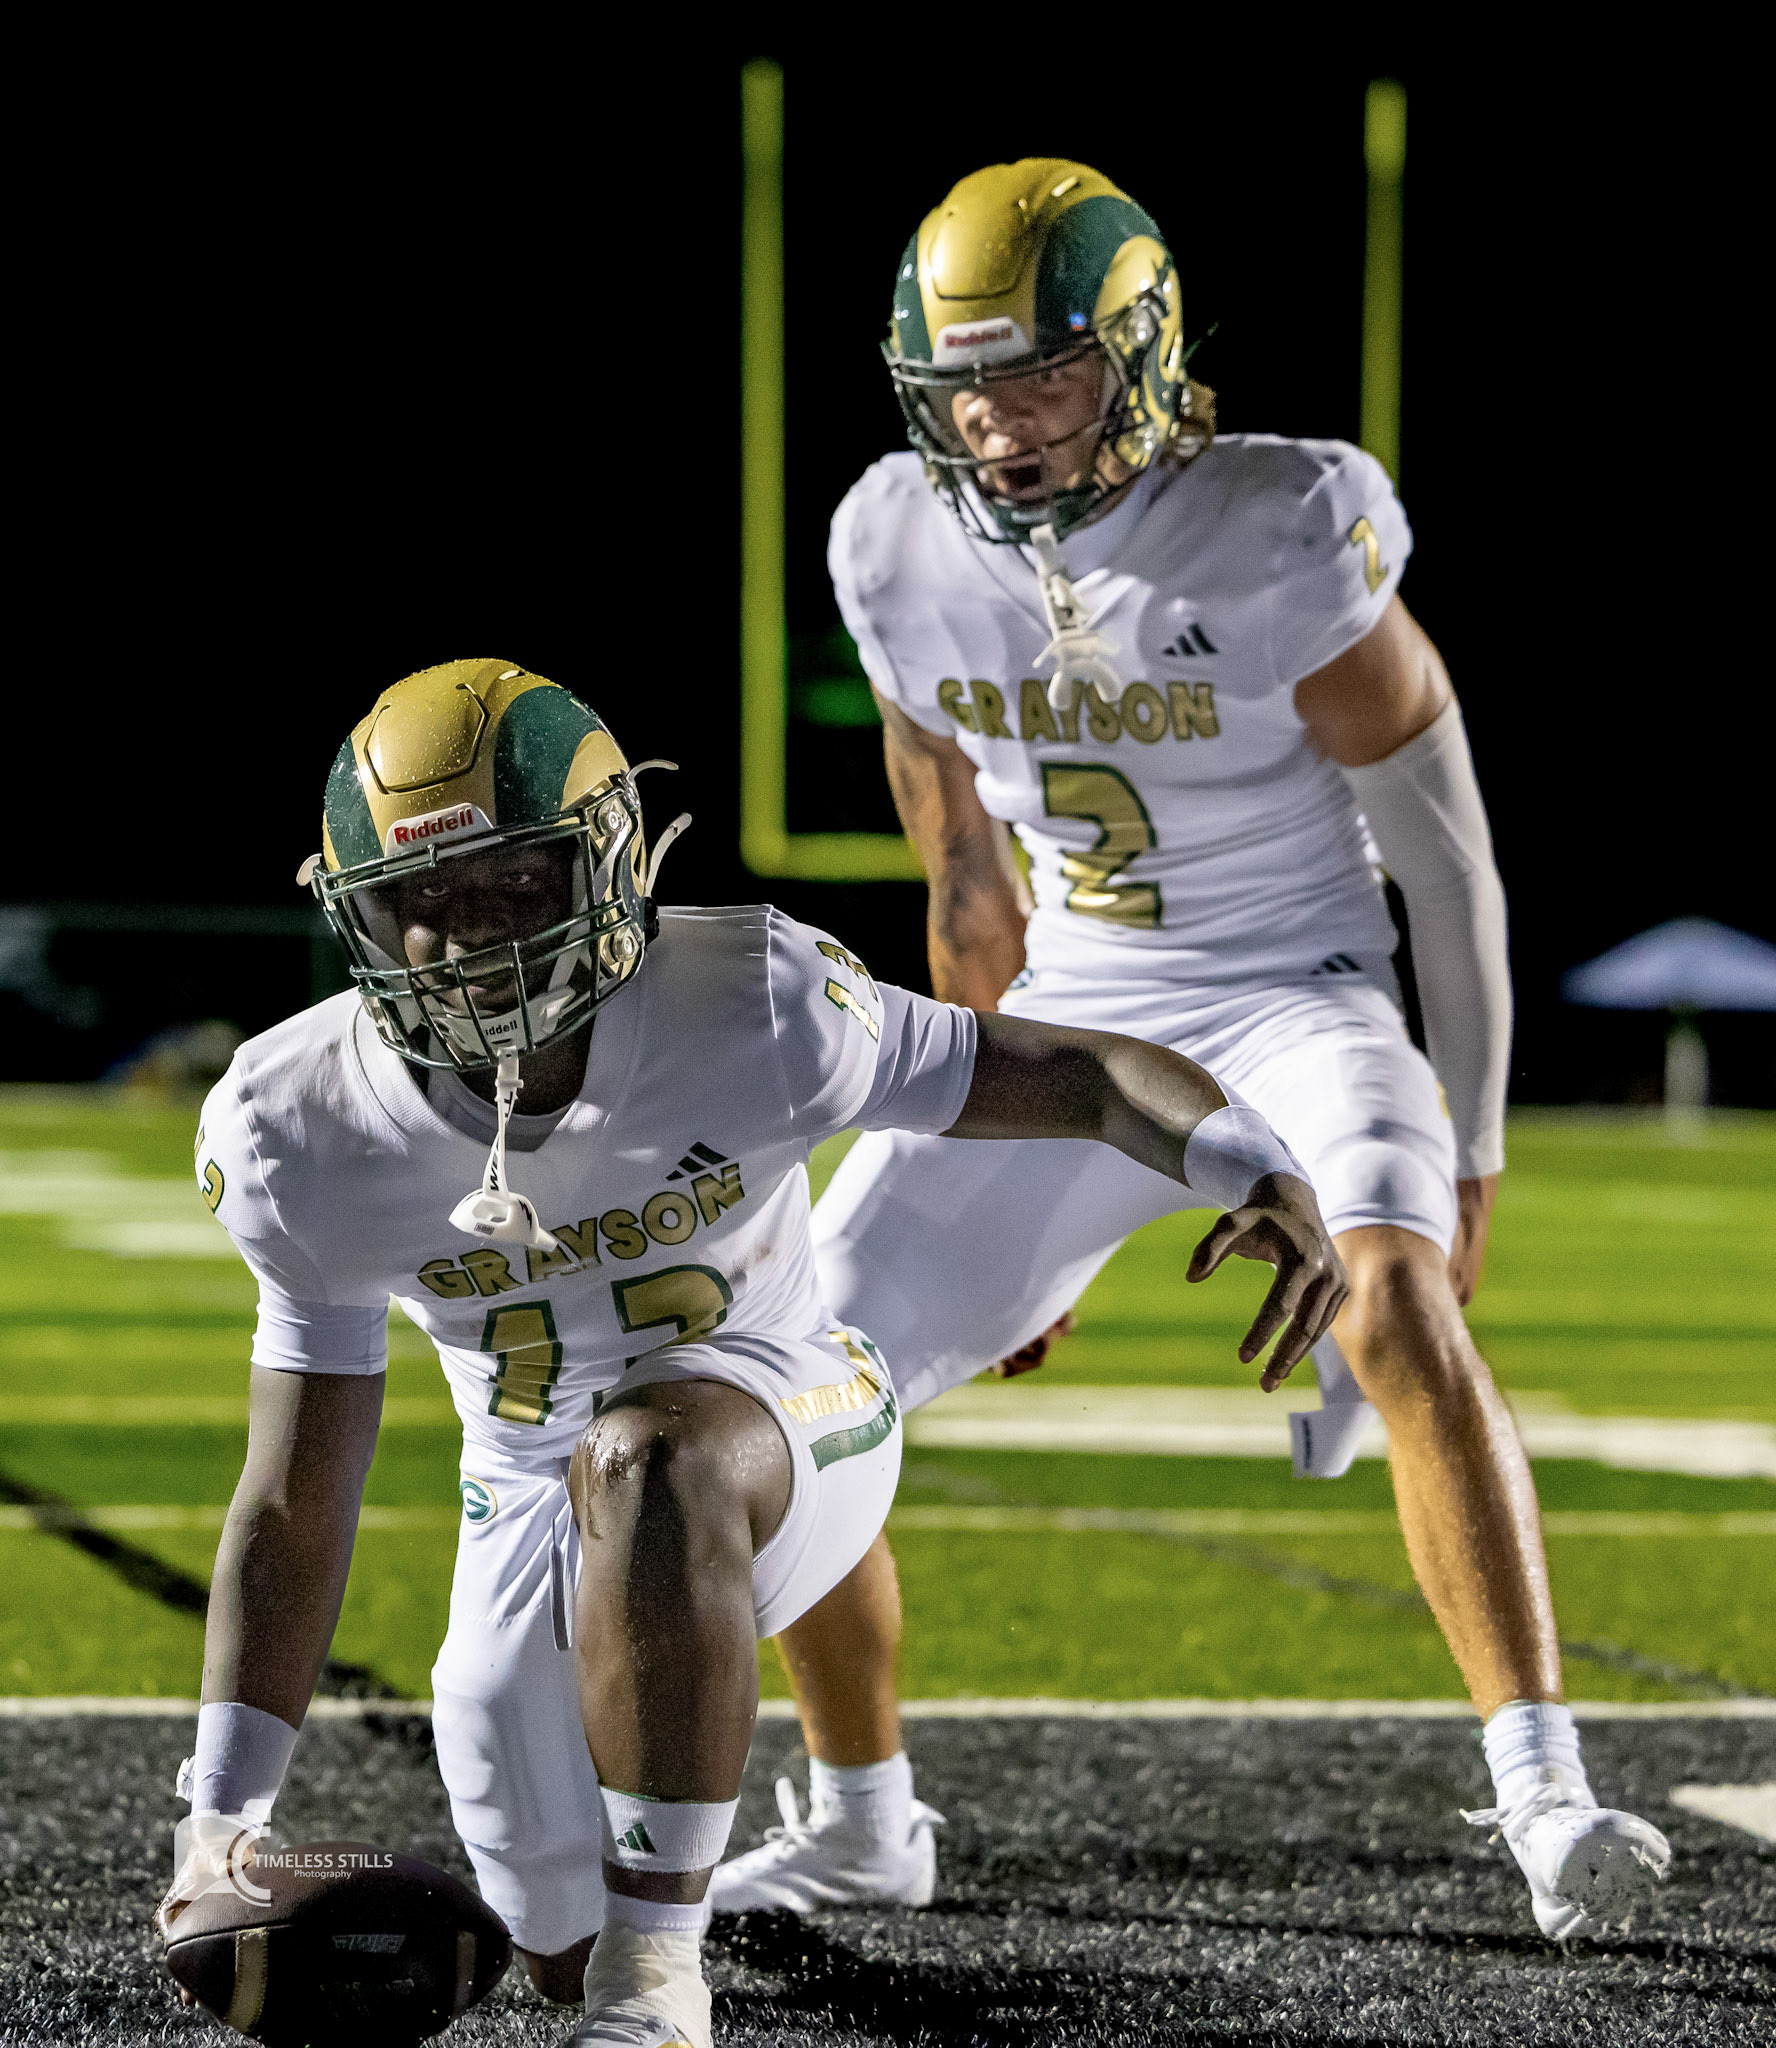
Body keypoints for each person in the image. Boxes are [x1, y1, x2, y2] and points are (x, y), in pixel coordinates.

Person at [707, 159, 1672, 1943]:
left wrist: (1471, 1155)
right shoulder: (892, 541)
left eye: (1043, 373)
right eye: (963, 386)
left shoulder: (1281, 522)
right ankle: (860, 1824)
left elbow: (1448, 872)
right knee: (786, 1381)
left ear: (1142, 354)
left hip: (1297, 990)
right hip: (1079, 1011)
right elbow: (966, 882)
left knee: (1393, 1301)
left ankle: (1548, 1794)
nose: (999, 423)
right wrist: (987, 1120)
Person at [154, 658, 1344, 2048]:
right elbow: (294, 1501)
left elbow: (1076, 1073)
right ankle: (627, 1930)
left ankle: (661, 1981)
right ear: (361, 914)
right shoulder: (294, 1128)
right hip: (526, 1487)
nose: (472, 936)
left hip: (789, 1410)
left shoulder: (756, 1001)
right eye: (428, 897)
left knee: (653, 1456)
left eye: (516, 882)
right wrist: (217, 1820)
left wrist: (1254, 1163)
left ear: (607, 865)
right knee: (551, 1946)